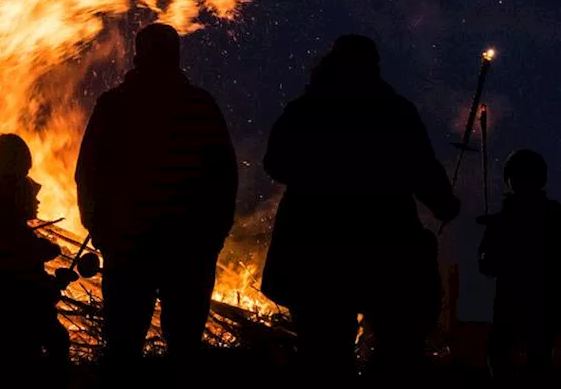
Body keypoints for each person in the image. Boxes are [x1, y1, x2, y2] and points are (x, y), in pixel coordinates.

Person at [261, 35, 460, 381]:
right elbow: (422, 169)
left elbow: (275, 164)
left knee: (323, 355)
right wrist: (445, 205)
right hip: (382, 246)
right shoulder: (395, 111)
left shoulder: (306, 109)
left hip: (314, 247)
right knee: (394, 351)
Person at [74, 22, 237, 377]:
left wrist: (100, 228)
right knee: (181, 343)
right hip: (184, 244)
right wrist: (214, 234)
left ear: (137, 56)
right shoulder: (198, 105)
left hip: (137, 243)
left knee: (125, 342)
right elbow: (223, 176)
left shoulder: (115, 105)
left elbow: (89, 173)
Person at [0, 134, 69, 386]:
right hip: (9, 308)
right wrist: (45, 252)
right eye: (22, 171)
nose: (26, 178)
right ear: (8, 166)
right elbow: (13, 254)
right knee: (22, 361)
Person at [478, 149, 560, 379]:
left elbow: (487, 267)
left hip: (516, 301)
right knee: (537, 360)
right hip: (544, 302)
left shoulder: (504, 220)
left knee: (501, 355)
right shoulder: (554, 216)